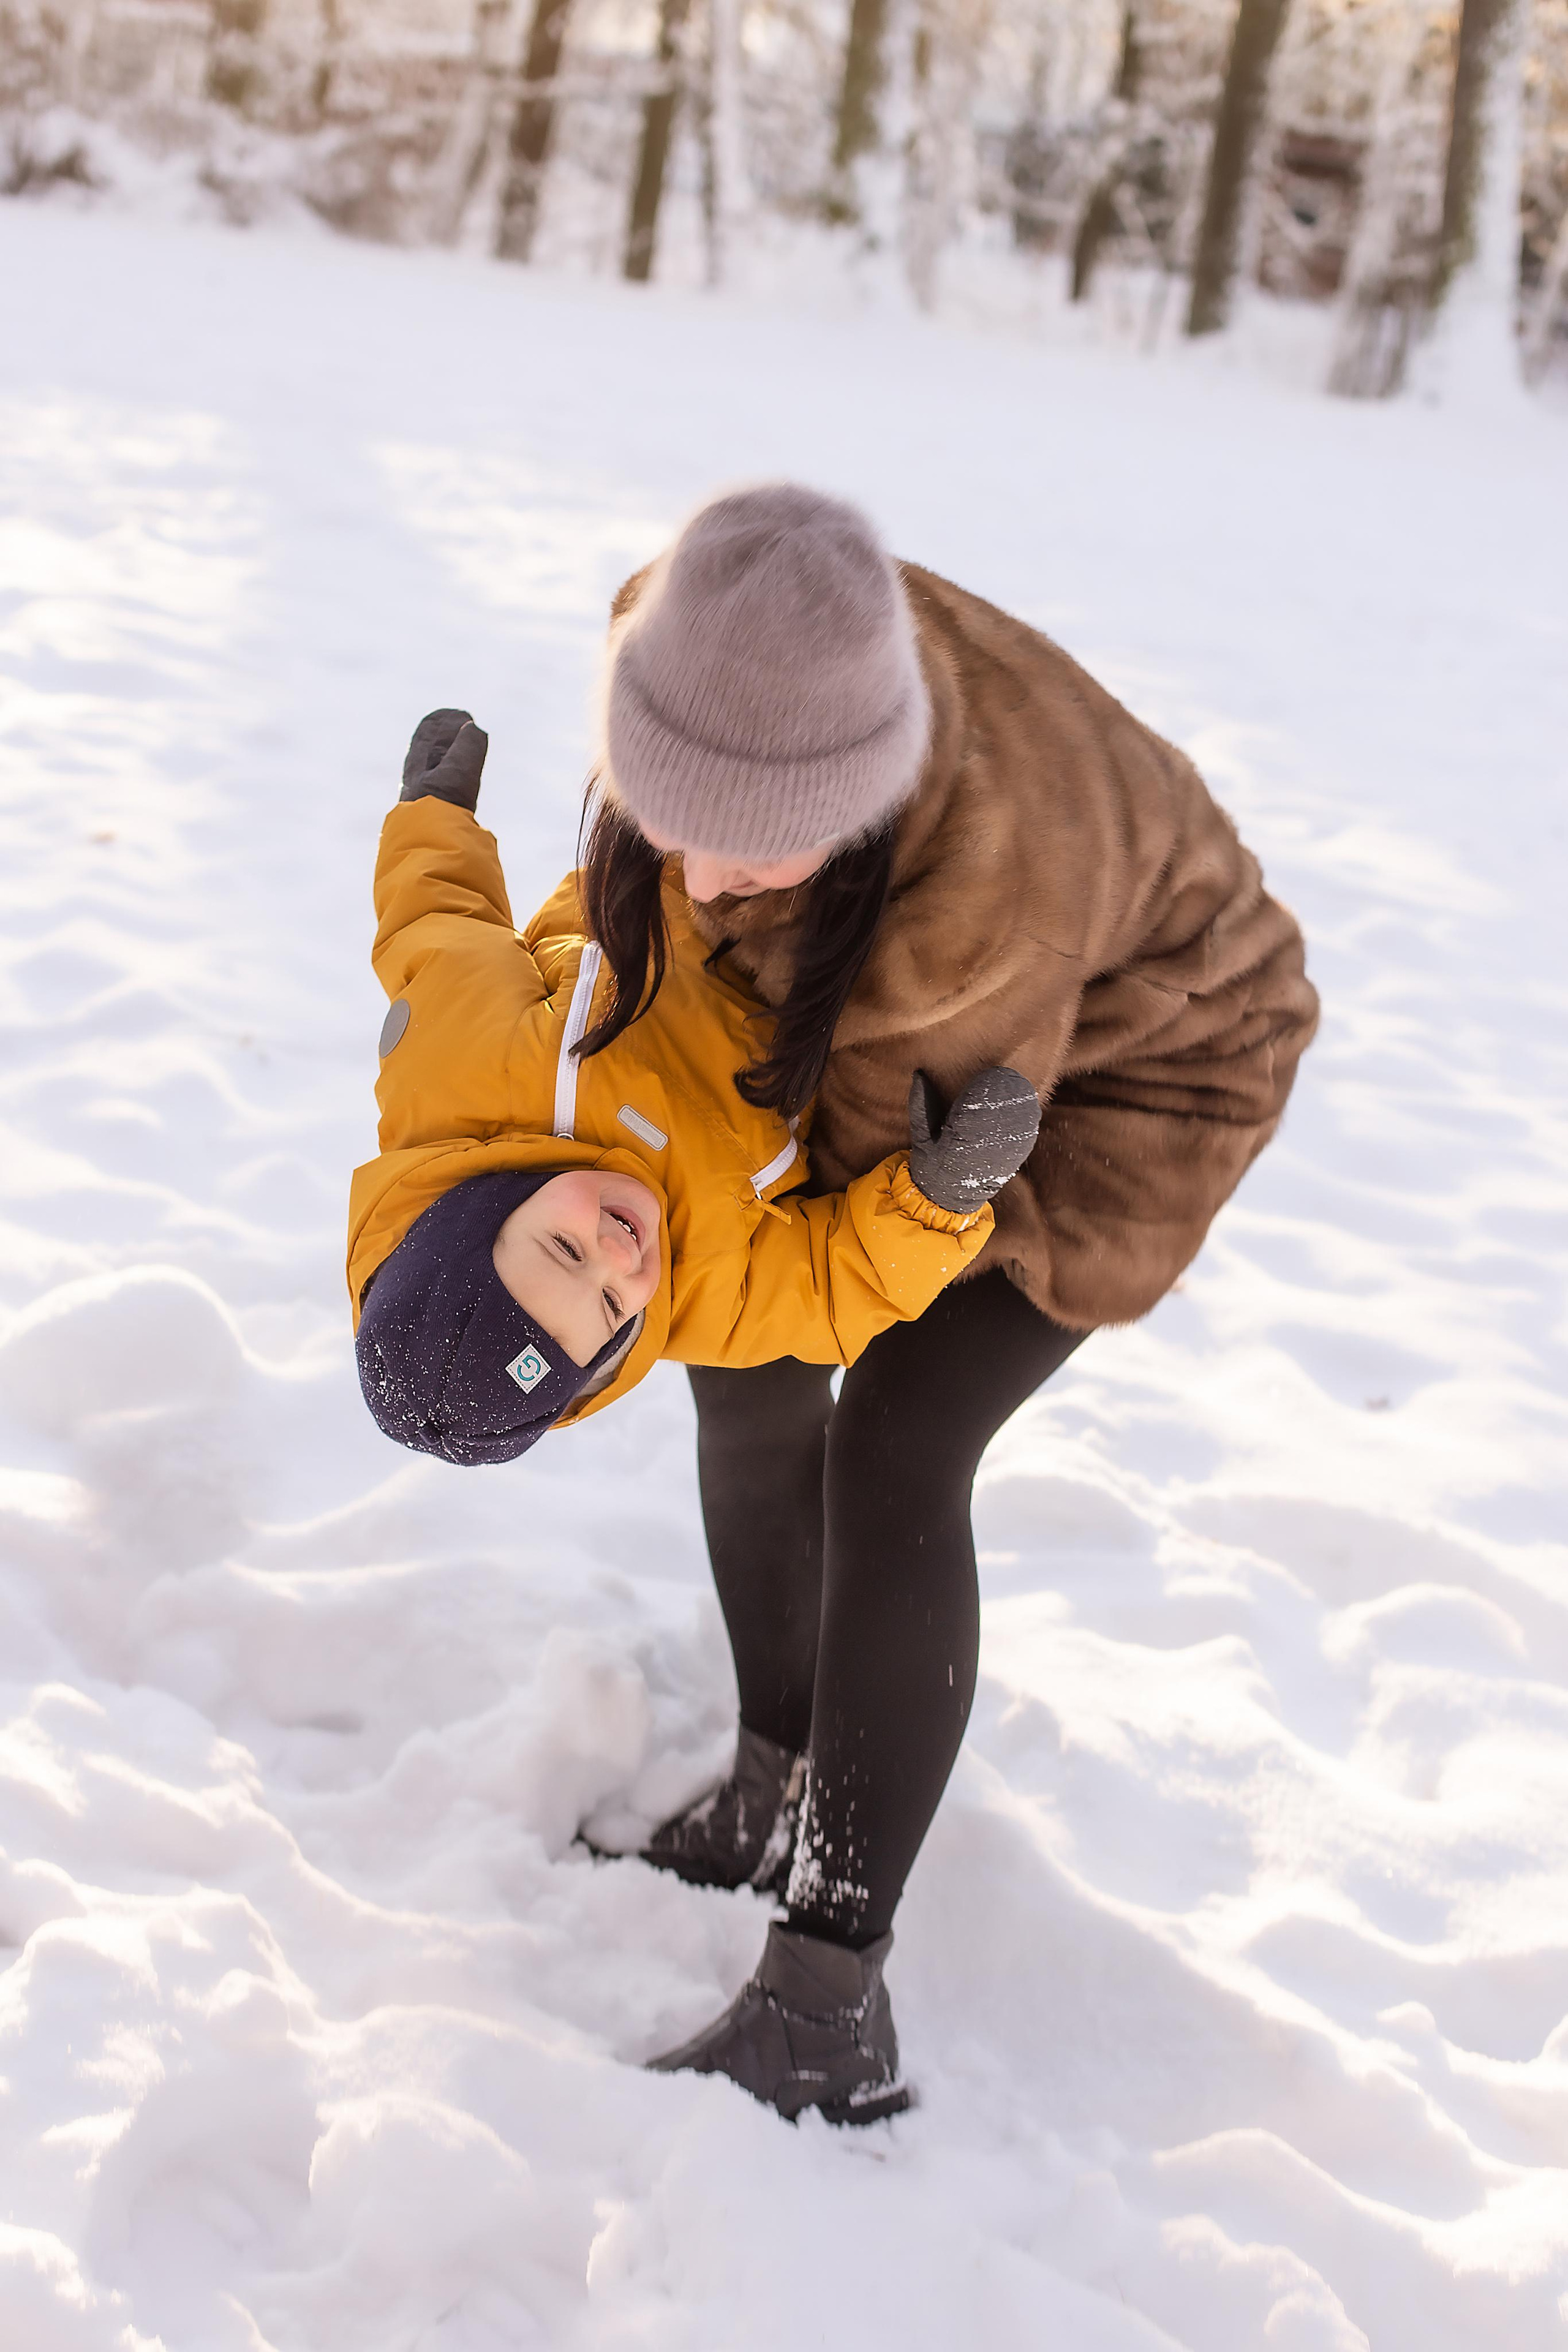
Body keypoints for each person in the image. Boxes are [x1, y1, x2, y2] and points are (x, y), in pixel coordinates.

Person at [573, 482, 1321, 2125]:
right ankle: (776, 1776)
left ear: (852, 811)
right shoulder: (701, 635)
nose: (696, 874)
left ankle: (826, 2000)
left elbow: (833, 1263)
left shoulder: (969, 920)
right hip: (930, 1019)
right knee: (742, 1379)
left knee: (897, 1439)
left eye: (751, 842)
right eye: (668, 811)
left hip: (1141, 1076)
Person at [349, 709, 1040, 1477]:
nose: (618, 1257)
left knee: (761, 736)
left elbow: (437, 927)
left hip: (664, 861)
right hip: (812, 973)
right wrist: (937, 1198)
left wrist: (432, 813)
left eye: (564, 1247)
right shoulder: (711, 1296)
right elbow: (833, 1290)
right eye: (613, 1306)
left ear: (479, 1209)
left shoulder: (459, 1068)